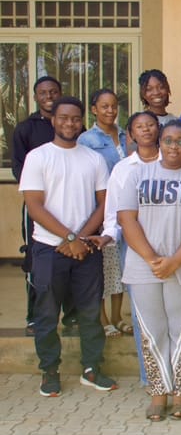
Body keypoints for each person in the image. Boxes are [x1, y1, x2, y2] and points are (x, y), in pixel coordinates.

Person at [19, 96, 117, 397]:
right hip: (49, 248)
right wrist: (68, 238)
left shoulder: (93, 158)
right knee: (47, 313)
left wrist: (80, 239)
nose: (69, 123)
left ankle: (91, 368)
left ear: (81, 121)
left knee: (89, 312)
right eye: (63, 117)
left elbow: (104, 204)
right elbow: (34, 206)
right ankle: (49, 371)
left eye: (75, 118)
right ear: (53, 120)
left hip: (85, 248)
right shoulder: (38, 157)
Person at [118, 120, 181, 421]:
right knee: (152, 331)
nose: (174, 146)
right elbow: (127, 219)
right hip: (143, 267)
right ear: (160, 142)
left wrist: (174, 260)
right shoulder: (137, 175)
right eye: (169, 140)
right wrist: (151, 258)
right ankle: (159, 394)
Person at [86, 111, 163, 388]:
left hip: (170, 246)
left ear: (159, 129)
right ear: (130, 134)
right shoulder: (122, 169)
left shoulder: (173, 163)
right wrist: (107, 236)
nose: (146, 130)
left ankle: (173, 373)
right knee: (144, 316)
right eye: (139, 126)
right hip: (133, 248)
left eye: (151, 125)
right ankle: (149, 377)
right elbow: (113, 212)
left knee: (169, 314)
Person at [12, 76, 77, 337]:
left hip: (71, 206)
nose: (48, 96)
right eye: (43, 92)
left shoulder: (73, 126)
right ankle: (34, 317)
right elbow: (18, 167)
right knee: (36, 261)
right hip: (38, 205)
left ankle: (72, 316)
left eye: (53, 91)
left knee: (74, 257)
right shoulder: (25, 128)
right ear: (36, 96)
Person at [78, 88, 131, 339]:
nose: (110, 111)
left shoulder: (125, 135)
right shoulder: (87, 140)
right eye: (104, 106)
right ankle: (103, 318)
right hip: (100, 210)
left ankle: (119, 316)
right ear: (94, 109)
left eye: (114, 106)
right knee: (100, 268)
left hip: (124, 210)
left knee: (118, 267)